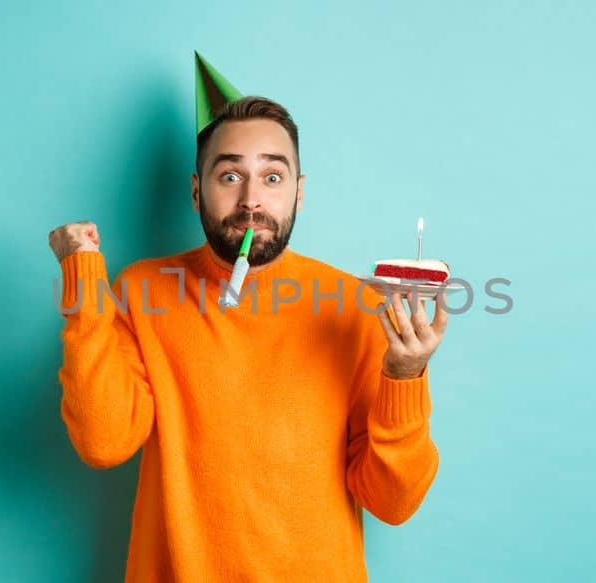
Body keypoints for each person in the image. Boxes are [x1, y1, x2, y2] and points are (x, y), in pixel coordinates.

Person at [47, 95, 447, 582]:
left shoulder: (353, 306)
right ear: (197, 192)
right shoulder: (141, 291)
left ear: (299, 194)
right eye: (230, 176)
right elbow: (102, 442)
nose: (252, 200)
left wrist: (404, 375)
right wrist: (83, 275)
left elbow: (392, 501)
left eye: (272, 177)